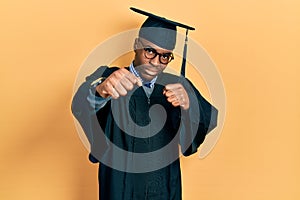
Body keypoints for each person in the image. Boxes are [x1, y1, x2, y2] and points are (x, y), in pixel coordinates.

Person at [72, 7, 218, 200]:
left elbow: (208, 119)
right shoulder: (109, 77)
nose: (156, 62)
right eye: (150, 51)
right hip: (119, 187)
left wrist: (190, 106)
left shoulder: (178, 87)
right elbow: (81, 104)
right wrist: (101, 91)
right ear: (136, 45)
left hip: (164, 187)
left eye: (165, 56)